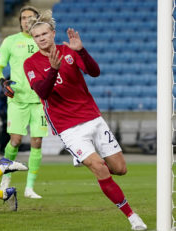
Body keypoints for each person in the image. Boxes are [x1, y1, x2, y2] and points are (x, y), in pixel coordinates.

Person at [23, 10, 147, 230]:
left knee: (119, 169)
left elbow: (94, 72)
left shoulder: (68, 51)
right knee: (99, 167)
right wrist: (53, 70)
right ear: (33, 39)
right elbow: (42, 92)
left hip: (92, 118)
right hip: (67, 127)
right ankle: (132, 217)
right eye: (36, 36)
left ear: (53, 33)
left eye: (44, 33)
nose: (41, 38)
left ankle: (85, 157)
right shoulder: (30, 63)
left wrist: (82, 51)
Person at [0, 5, 48, 199]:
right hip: (17, 99)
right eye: (23, 18)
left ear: (37, 20)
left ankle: (29, 188)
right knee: (15, 141)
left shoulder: (44, 40)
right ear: (20, 21)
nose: (26, 21)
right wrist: (2, 82)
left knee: (37, 142)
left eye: (30, 17)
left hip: (39, 99)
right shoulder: (10, 41)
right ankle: (5, 178)